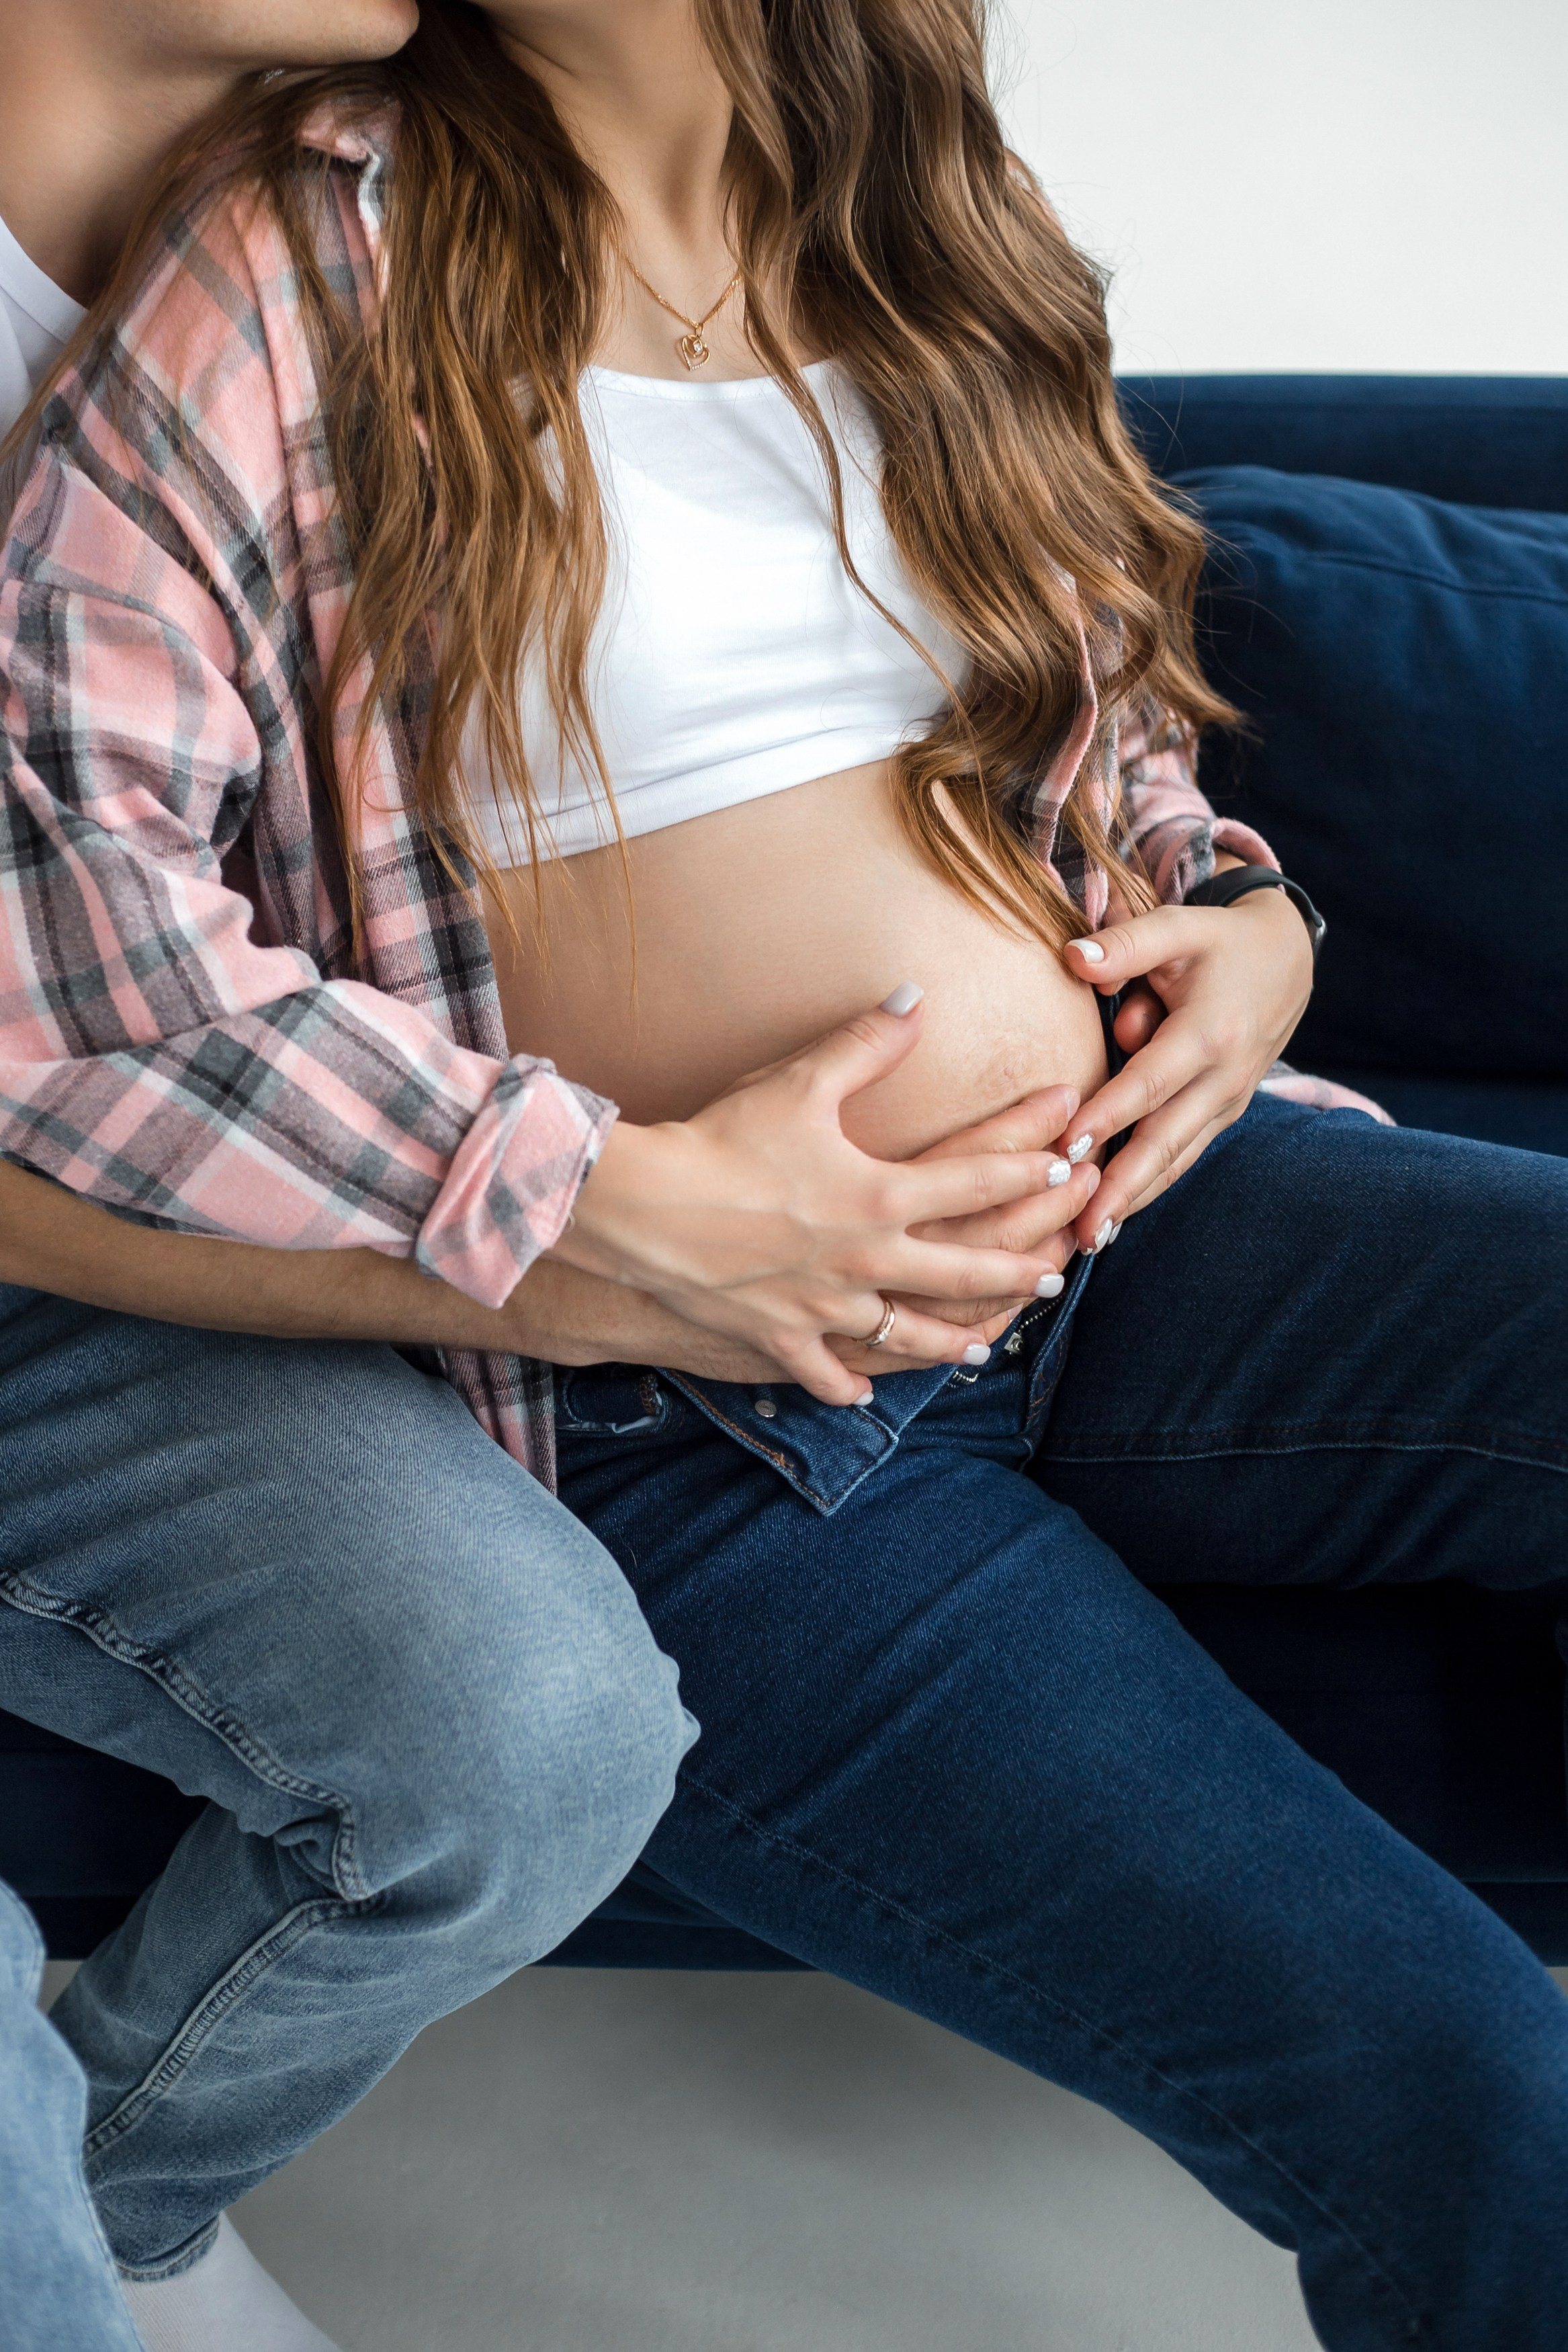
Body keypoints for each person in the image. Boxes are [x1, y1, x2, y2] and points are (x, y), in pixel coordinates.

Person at [3, 4, 1566, 2349]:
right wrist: (562, 1195)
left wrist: (1239, 912)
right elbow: (68, 919)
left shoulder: (930, 230)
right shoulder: (307, 243)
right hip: (704, 1423)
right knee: (1479, 2085)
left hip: (1134, 1223)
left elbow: (1098, 698)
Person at [0, 9, 713, 2347]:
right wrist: (559, 1251)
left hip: (142, 1250)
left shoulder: (402, 210)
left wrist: (1232, 907)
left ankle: (121, 2196)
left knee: (535, 1730)